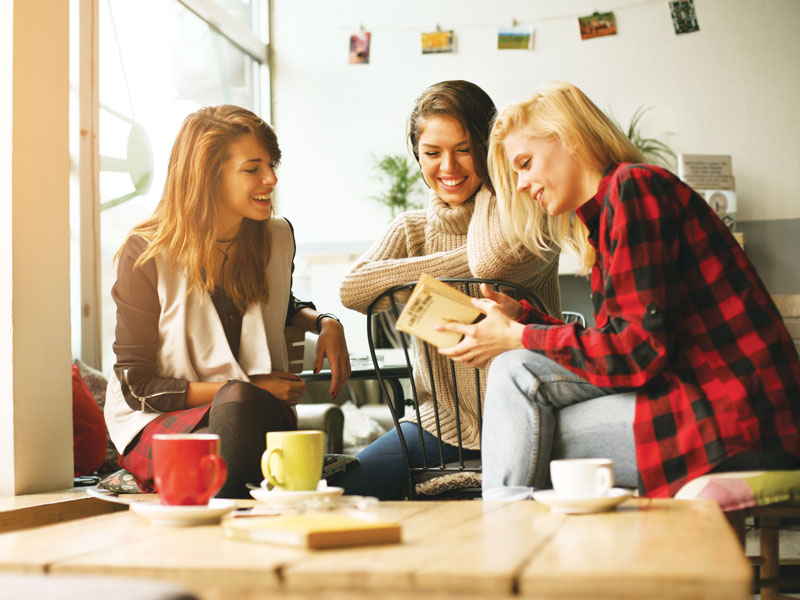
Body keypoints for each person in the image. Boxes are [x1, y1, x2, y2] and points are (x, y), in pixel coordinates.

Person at [438, 81, 800, 498]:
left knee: (518, 396)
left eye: (525, 162)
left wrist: (517, 337)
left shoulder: (634, 189)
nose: (521, 184)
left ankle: (508, 541)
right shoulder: (611, 210)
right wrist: (524, 320)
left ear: (569, 139)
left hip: (737, 419)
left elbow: (636, 354)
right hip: (719, 407)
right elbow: (621, 344)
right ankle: (520, 538)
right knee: (520, 406)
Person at [104, 105, 351, 499]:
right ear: (207, 176)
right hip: (160, 417)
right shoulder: (146, 252)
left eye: (271, 165)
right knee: (233, 415)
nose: (270, 179)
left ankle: (217, 505)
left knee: (236, 418)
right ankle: (237, 506)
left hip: (255, 410)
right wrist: (249, 384)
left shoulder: (274, 236)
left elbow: (277, 304)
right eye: (252, 168)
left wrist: (325, 322)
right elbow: (138, 387)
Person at [335, 80, 562, 500]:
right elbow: (353, 289)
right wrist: (441, 272)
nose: (449, 167)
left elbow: (491, 262)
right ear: (417, 156)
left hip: (527, 417)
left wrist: (497, 180)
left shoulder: (531, 216)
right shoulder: (411, 229)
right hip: (438, 423)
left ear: (488, 149)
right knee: (344, 492)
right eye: (432, 153)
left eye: (464, 149)